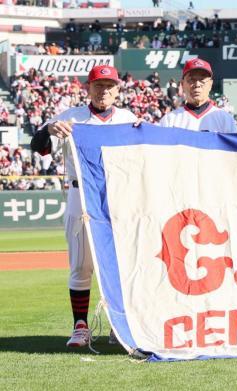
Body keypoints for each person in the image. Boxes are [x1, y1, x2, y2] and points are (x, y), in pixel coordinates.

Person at [29, 65, 139, 347]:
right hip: (80, 195)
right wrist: (48, 129)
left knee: (121, 263)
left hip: (119, 195)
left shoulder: (128, 118)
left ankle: (119, 324)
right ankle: (80, 326)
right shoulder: (71, 117)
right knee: (81, 264)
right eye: (98, 85)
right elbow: (38, 146)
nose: (103, 91)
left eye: (109, 85)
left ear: (117, 89)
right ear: (88, 88)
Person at [159, 58, 237, 133]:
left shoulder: (225, 119)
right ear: (182, 84)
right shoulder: (169, 120)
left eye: (202, 80)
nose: (197, 84)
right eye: (191, 80)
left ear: (210, 85)